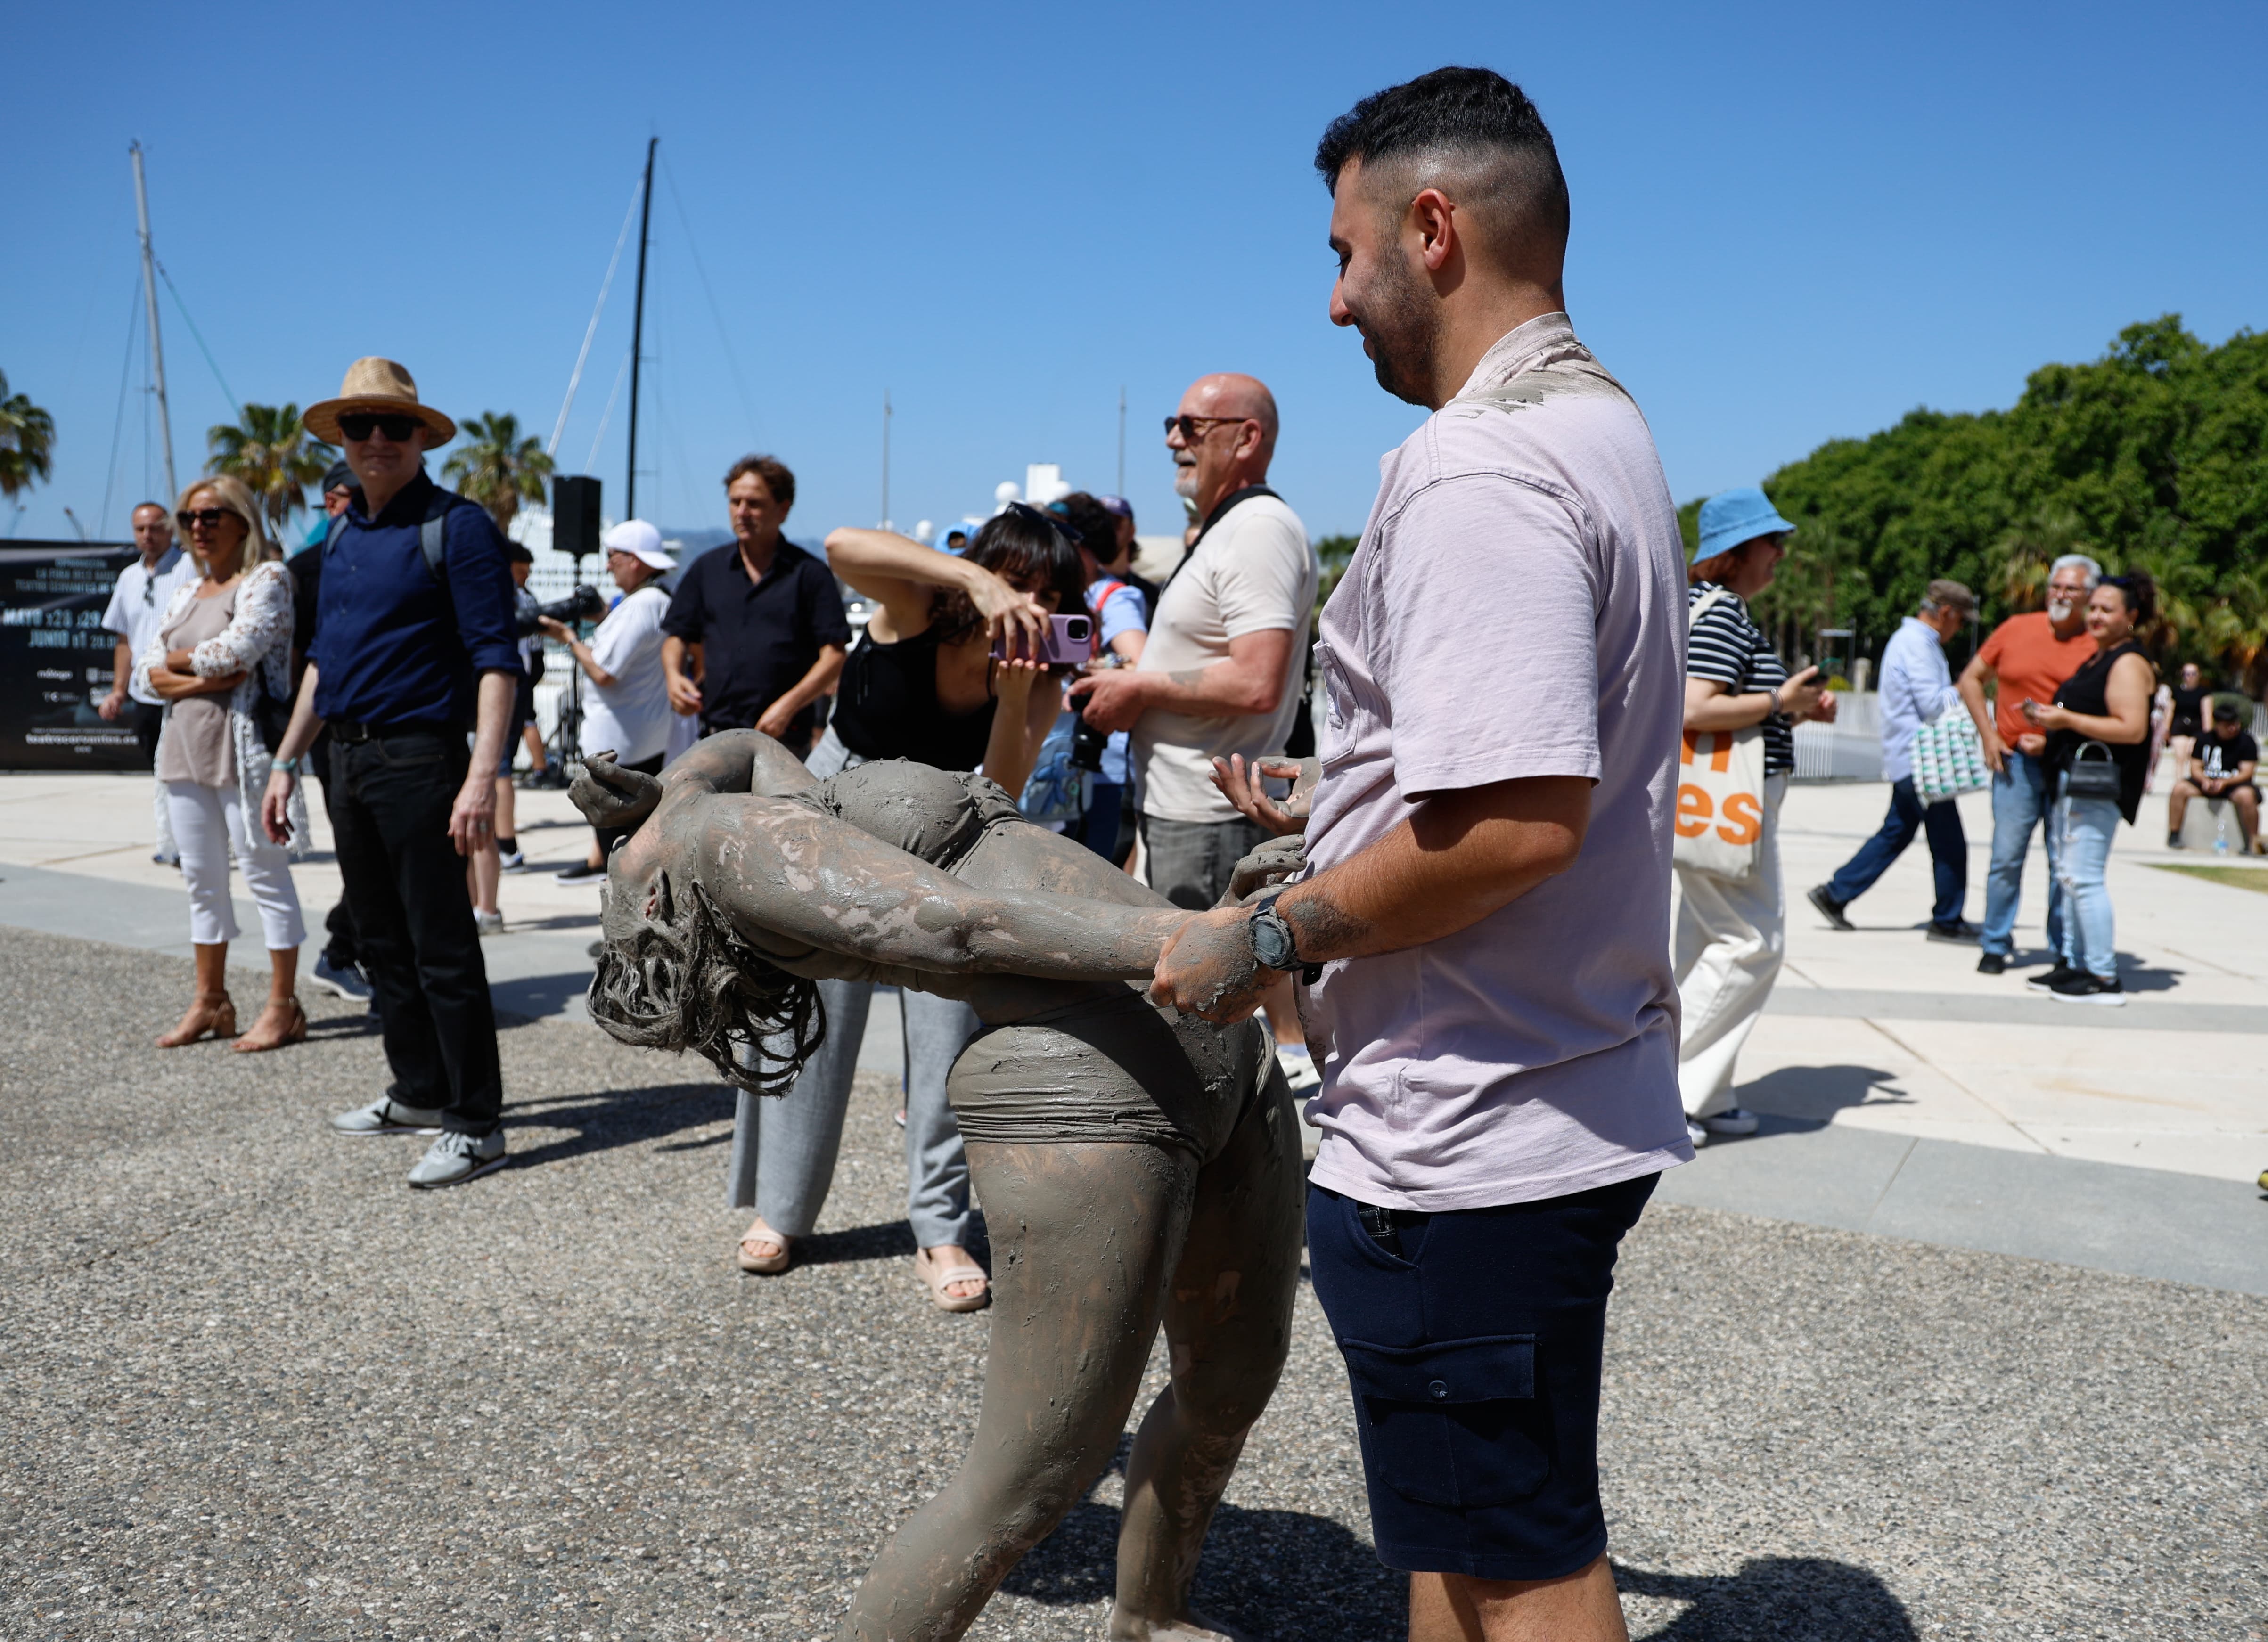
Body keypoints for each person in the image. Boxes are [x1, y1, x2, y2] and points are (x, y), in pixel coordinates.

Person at [1184, 67, 1692, 1642]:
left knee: (1520, 1559)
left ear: (1430, 227)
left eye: (1345, 255)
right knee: (1464, 1538)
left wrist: (1266, 938)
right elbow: (1509, 770)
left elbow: (1511, 827)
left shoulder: (1479, 466)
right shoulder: (1600, 424)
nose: (1336, 303)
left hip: (1470, 1127)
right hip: (1541, 1087)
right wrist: (1340, 792)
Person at [573, 735, 1302, 1642]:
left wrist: (663, 784)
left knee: (1231, 1381)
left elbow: (751, 745)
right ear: (659, 912)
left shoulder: (720, 810)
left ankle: (1151, 1616)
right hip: (1088, 1084)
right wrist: (1222, 936)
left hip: (1207, 1039)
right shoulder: (735, 849)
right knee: (1031, 1475)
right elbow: (965, 928)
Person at [714, 508, 1077, 1309]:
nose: (1033, 605)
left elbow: (1002, 795)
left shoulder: (1037, 676)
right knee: (804, 1017)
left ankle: (940, 1229)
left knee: (946, 1038)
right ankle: (781, 1210)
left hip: (945, 839)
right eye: (1022, 582)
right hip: (832, 822)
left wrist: (1014, 701)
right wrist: (977, 580)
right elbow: (842, 545)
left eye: (1051, 594)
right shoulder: (913, 607)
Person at [262, 357, 523, 1190]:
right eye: (359, 426)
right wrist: (284, 762)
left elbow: (496, 661)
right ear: (342, 439)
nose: (376, 440)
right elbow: (320, 665)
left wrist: (482, 778)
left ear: (420, 438)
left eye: (395, 426)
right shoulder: (340, 534)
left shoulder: (458, 526)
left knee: (442, 944)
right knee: (379, 939)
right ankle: (418, 1091)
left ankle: (476, 1123)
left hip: (421, 757)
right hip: (346, 756)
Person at [1069, 374, 1318, 915]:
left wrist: (1135, 687)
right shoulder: (1230, 527)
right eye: (1171, 425)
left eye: (1190, 426)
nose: (1171, 440)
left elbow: (1257, 682)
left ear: (1246, 439)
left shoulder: (1258, 529)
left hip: (1210, 823)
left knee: (1201, 997)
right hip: (1188, 815)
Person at [1675, 487, 1836, 1148]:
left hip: (1713, 800)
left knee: (1701, 946)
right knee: (1752, 945)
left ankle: (1705, 1091)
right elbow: (1692, 708)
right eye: (1772, 543)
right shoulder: (1720, 613)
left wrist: (1791, 706)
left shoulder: (1707, 608)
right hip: (1729, 804)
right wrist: (1778, 700)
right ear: (1734, 554)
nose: (1780, 554)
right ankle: (1665, 1091)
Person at [139, 476, 311, 1053]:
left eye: (211, 515)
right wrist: (185, 669)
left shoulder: (267, 578)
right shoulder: (185, 590)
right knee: (201, 882)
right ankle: (210, 1000)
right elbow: (145, 671)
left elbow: (238, 653)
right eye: (189, 516)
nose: (197, 527)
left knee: (265, 875)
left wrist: (173, 666)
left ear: (242, 520)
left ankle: (282, 1005)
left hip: (245, 752)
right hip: (184, 750)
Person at [1807, 580, 1981, 940]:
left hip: (1911, 760)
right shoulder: (1917, 645)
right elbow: (1932, 705)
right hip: (1922, 762)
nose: (1959, 629)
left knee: (1897, 832)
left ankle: (1835, 893)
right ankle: (1946, 920)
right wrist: (1967, 684)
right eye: (1961, 621)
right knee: (1948, 844)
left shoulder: (1914, 641)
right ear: (1945, 612)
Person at [1957, 555, 2099, 974]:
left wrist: (2055, 737)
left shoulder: (2098, 642)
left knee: (2063, 864)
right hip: (2013, 763)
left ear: (2089, 596)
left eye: (2071, 588)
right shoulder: (2016, 627)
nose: (2060, 594)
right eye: (2056, 585)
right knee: (2006, 856)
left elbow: (2106, 705)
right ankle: (1995, 943)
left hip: (2066, 766)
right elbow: (1970, 678)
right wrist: (1989, 734)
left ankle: (2063, 948)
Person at [2023, 572, 2158, 1004]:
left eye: (2107, 609)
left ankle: (2102, 976)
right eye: (2093, 607)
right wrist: (2048, 732)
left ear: (2131, 617)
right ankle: (2078, 964)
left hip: (2098, 789)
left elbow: (2131, 728)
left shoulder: (2127, 663)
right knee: (2069, 875)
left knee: (2083, 878)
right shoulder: (2101, 657)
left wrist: (2065, 721)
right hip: (2075, 782)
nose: (2096, 616)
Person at [660, 455, 850, 752]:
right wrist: (673, 676)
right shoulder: (707, 569)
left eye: (755, 504)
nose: (742, 512)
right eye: (735, 502)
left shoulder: (811, 575)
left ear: (783, 509)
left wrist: (788, 706)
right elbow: (677, 635)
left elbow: (834, 656)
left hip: (785, 740)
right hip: (715, 735)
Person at [286, 461, 374, 1003]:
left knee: (384, 855)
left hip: (398, 734)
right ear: (328, 502)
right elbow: (296, 665)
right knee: (363, 853)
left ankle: (349, 951)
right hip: (330, 733)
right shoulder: (304, 570)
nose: (355, 509)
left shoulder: (395, 558)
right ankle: (343, 952)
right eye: (345, 499)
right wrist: (289, 750)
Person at [546, 521, 678, 880]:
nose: (607, 565)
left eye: (612, 556)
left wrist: (569, 637)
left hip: (620, 748)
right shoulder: (655, 599)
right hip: (637, 737)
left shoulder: (643, 604)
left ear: (634, 560)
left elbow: (605, 672)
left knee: (621, 851)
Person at [1049, 490, 1148, 864]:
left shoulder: (1112, 597)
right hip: (1053, 764)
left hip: (1101, 772)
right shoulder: (1060, 594)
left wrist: (1085, 667)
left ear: (1082, 546)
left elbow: (1139, 667)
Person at [98, 502, 190, 762]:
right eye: (140, 529)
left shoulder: (192, 567)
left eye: (155, 528)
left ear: (170, 530)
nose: (147, 535)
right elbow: (125, 639)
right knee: (156, 768)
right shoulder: (129, 577)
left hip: (185, 689)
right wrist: (119, 690)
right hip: (144, 693)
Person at [496, 541, 544, 870]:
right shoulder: (524, 598)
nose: (524, 577)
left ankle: (505, 841)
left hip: (509, 684)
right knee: (503, 767)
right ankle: (505, 839)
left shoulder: (510, 596)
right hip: (520, 683)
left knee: (499, 767)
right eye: (520, 571)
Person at [2169, 698, 2259, 852]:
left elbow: (2247, 772)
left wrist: (2225, 782)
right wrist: (2204, 780)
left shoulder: (2247, 741)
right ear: (2218, 724)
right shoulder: (2204, 739)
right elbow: (2195, 767)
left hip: (2233, 785)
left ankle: (2253, 841)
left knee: (2247, 796)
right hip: (2207, 782)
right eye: (2227, 725)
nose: (2232, 728)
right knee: (2179, 789)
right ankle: (2174, 834)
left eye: (2235, 724)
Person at [2166, 661, 2208, 779]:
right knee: (2180, 756)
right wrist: (2166, 730)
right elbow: (2170, 711)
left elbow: (2207, 714)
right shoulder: (2176, 692)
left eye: (2193, 674)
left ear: (2199, 675)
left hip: (2197, 728)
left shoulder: (2204, 693)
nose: (2189, 677)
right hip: (2179, 726)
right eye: (2186, 674)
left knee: (2193, 756)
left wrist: (2208, 734)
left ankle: (2193, 782)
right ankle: (2179, 783)